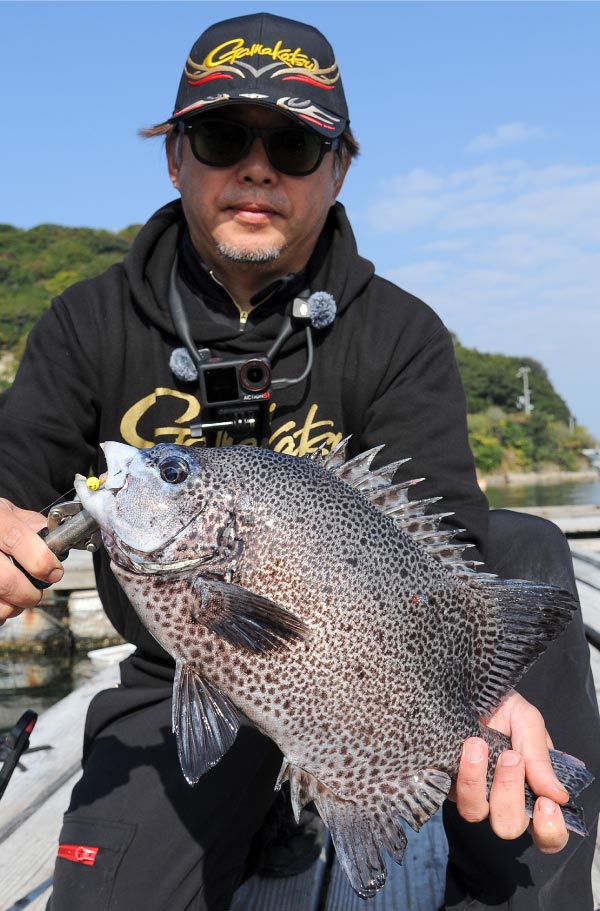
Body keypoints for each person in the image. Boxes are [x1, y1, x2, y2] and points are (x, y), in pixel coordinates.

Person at [0, 11, 598, 911]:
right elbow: (10, 481)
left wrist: (491, 691)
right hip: (182, 675)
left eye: (294, 144)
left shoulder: (400, 332)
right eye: (221, 134)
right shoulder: (88, 323)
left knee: (523, 545)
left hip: (371, 673)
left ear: (341, 167)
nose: (256, 166)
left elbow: (440, 535)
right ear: (175, 157)